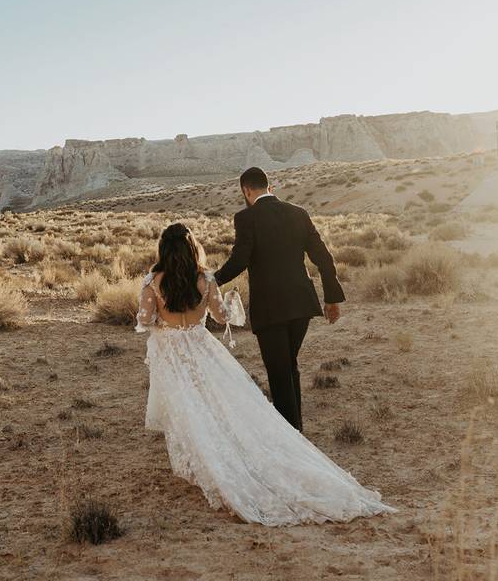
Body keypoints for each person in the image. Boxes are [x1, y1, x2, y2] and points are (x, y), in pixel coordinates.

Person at [136, 223, 394, 525]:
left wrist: (161, 319)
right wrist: (227, 304)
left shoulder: (153, 281)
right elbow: (222, 317)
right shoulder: (205, 279)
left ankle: (206, 464)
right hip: (203, 350)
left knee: (189, 409)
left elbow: (144, 320)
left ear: (163, 249)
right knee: (217, 405)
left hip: (172, 355)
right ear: (193, 248)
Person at [214, 166, 344, 431]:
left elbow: (240, 260)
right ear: (270, 188)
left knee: (280, 371)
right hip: (301, 303)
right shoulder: (299, 213)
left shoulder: (246, 218)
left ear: (246, 191)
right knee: (288, 366)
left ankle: (292, 437)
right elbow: (323, 258)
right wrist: (331, 298)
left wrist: (210, 281)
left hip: (270, 307)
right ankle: (296, 431)